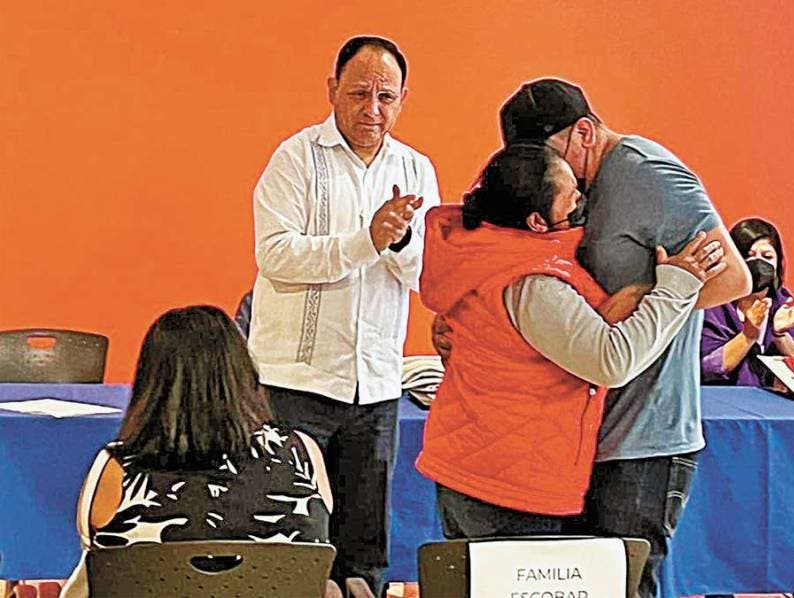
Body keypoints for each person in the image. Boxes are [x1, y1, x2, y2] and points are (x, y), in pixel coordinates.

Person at [433, 79, 751, 598]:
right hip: (574, 438)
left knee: (625, 583)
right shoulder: (547, 186)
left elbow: (733, 279)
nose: (550, 172)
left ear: (583, 132)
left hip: (641, 433)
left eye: (550, 153)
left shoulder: (651, 176)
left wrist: (638, 300)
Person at [416, 143, 723, 538]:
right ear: (537, 221)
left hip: (476, 466)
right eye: (571, 194)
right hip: (511, 484)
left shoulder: (483, 252)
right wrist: (676, 288)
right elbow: (610, 361)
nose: (582, 198)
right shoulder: (532, 282)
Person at [248, 35, 440, 595]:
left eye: (386, 97)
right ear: (332, 89)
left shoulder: (416, 167)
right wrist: (365, 241)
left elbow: (428, 275)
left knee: (364, 550)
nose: (372, 110)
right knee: (288, 539)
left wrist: (398, 242)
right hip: (295, 382)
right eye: (359, 94)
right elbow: (275, 255)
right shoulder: (295, 158)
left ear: (403, 99)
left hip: (376, 384)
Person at [61, 306, 336, 598]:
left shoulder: (115, 468)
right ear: (243, 373)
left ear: (149, 381)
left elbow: (95, 560)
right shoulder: (302, 453)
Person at [700, 217, 794, 387]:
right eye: (748, 256)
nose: (758, 263)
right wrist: (748, 335)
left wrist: (781, 335)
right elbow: (705, 369)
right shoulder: (712, 306)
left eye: (767, 256)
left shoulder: (788, 307)